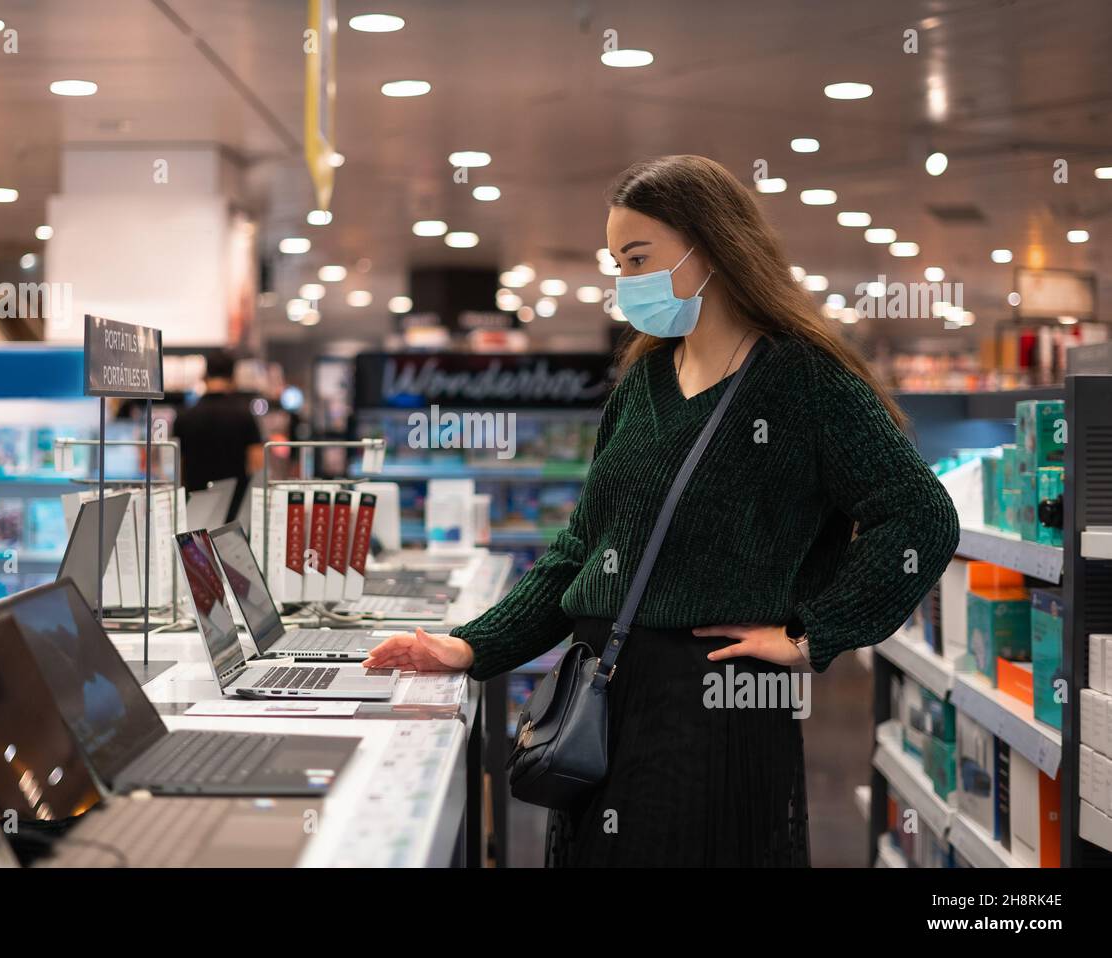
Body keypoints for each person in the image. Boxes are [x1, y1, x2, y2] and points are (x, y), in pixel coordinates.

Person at [362, 154, 960, 867]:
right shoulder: (644, 380)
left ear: (710, 246)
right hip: (606, 699)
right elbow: (581, 548)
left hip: (714, 708)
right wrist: (472, 646)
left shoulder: (803, 382)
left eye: (639, 258)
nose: (626, 283)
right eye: (618, 262)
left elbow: (921, 517)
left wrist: (811, 633)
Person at [172, 349, 263, 521]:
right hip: (235, 508)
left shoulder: (185, 416)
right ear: (233, 377)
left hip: (196, 506)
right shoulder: (244, 415)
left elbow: (179, 468)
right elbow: (257, 465)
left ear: (205, 375)